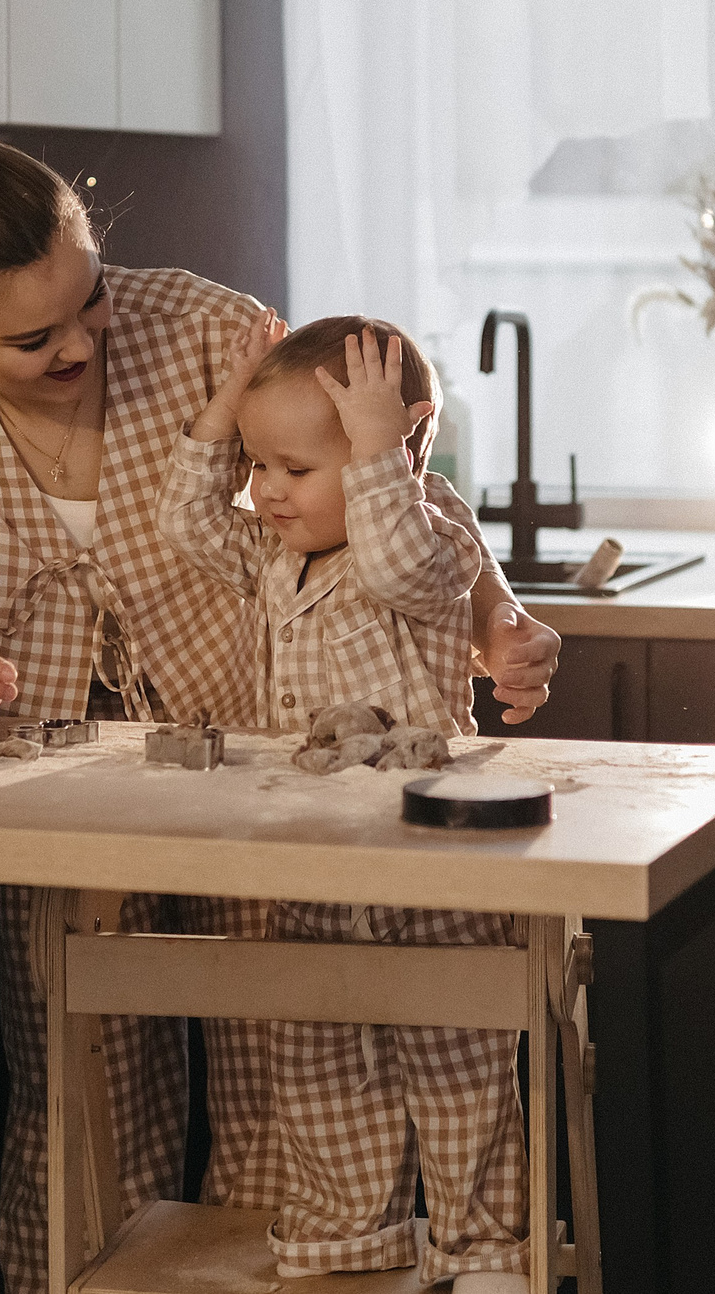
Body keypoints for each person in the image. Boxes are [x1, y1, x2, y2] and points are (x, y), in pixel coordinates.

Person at [0, 124, 560, 1294]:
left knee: (291, 1070)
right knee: (80, 1091)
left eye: (90, 301)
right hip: (56, 789)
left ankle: (305, 1268)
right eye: (33, 338)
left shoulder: (207, 327)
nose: (80, 342)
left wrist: (495, 621)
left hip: (264, 764)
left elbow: (396, 487)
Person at [157, 314, 529, 1292]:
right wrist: (228, 400)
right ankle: (343, 1244)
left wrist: (376, 454)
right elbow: (185, 521)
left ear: (400, 446)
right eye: (258, 465)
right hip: (314, 857)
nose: (266, 490)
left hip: (429, 868)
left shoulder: (432, 537)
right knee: (320, 1058)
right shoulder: (274, 554)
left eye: (294, 468)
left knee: (457, 1064)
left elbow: (399, 559)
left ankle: (482, 1251)